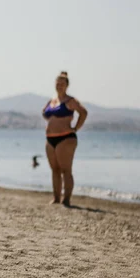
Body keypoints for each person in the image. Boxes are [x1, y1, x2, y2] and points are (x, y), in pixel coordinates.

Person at [42, 71, 88, 206]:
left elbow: (83, 113)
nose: (59, 85)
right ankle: (56, 197)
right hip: (50, 139)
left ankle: (66, 199)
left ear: (67, 85)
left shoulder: (70, 101)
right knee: (54, 169)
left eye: (62, 83)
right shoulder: (52, 100)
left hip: (65, 138)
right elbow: (44, 112)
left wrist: (76, 128)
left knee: (65, 170)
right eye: (57, 83)